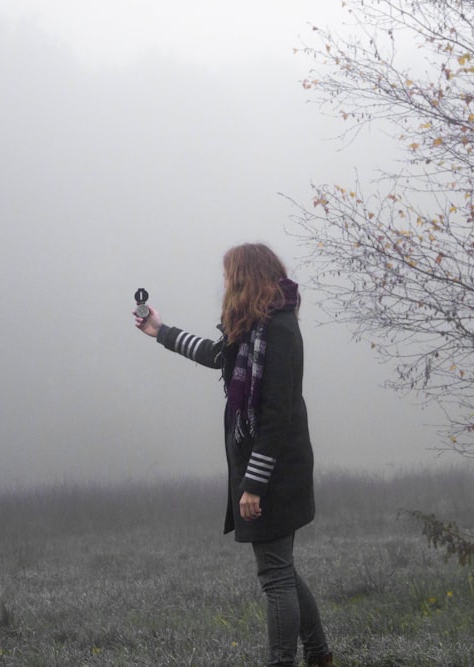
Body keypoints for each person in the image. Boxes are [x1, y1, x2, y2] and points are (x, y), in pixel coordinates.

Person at [133, 243, 332, 667]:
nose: (223, 283)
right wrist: (161, 331)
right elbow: (215, 354)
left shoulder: (279, 331)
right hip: (270, 465)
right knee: (282, 568)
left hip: (276, 470)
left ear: (245, 278)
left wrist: (254, 485)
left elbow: (277, 415)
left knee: (274, 575)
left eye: (228, 276)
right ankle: (319, 655)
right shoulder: (254, 329)